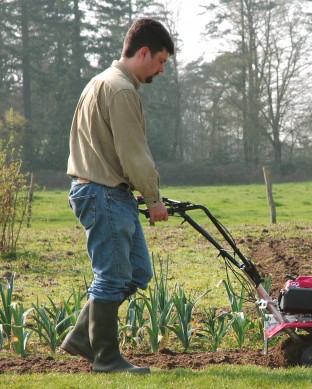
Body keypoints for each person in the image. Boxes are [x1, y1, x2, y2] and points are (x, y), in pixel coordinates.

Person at [61, 18, 174, 374]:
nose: (160, 70)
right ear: (144, 52)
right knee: (111, 275)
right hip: (103, 193)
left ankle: (83, 336)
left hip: (104, 191)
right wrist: (153, 198)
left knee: (137, 272)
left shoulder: (99, 82)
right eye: (160, 62)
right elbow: (133, 152)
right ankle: (106, 358)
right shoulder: (121, 90)